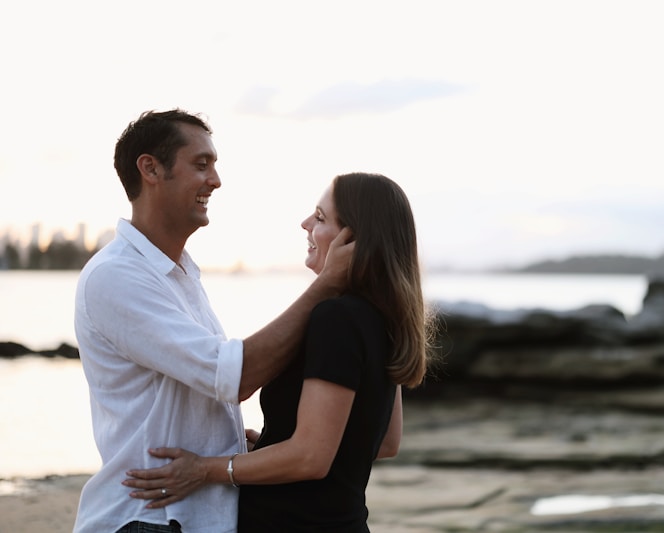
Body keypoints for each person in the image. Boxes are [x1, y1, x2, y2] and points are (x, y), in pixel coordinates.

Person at [73, 109, 353, 533]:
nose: (216, 180)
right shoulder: (116, 275)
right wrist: (326, 286)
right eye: (201, 165)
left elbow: (205, 385)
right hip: (149, 518)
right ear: (150, 168)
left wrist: (234, 444)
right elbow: (233, 377)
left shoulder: (179, 273)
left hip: (192, 517)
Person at [122, 172, 437, 532]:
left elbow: (310, 457)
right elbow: (384, 442)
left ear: (352, 240)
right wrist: (274, 446)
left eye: (319, 218)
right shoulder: (383, 317)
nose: (305, 224)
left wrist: (205, 469)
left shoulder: (336, 318)